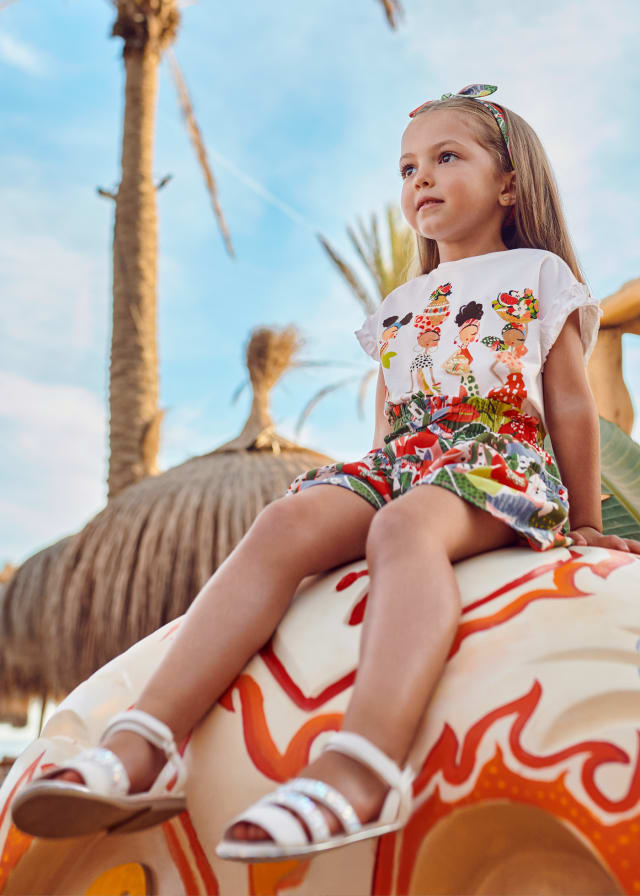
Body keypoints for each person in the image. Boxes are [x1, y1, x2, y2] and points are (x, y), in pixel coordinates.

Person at [12, 83, 640, 862]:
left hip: (496, 459)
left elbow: (572, 405)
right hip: (406, 459)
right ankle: (143, 744)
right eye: (407, 167)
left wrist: (587, 522)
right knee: (287, 522)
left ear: (508, 185)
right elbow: (389, 420)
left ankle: (365, 764)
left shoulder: (537, 274)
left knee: (407, 527)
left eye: (447, 157)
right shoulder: (401, 304)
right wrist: (352, 495)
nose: (421, 178)